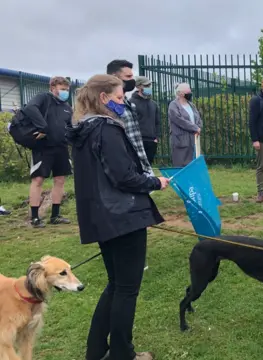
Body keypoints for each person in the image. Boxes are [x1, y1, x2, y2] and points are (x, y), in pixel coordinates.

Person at [66, 74, 170, 360]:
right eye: (121, 98)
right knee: (126, 289)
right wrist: (154, 183)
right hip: (123, 216)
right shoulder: (106, 129)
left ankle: (97, 349)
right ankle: (123, 354)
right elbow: (123, 176)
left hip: (101, 217)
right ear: (104, 98)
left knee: (116, 285)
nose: (124, 103)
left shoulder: (83, 130)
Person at [22, 76, 73, 228]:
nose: (65, 92)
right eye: (62, 89)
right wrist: (43, 127)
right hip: (43, 147)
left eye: (67, 89)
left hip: (61, 147)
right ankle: (35, 218)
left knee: (60, 180)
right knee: (38, 180)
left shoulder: (66, 106)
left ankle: (55, 215)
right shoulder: (43, 98)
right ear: (52, 88)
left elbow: (70, 125)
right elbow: (30, 108)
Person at [106, 60, 154, 176]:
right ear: (114, 77)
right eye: (128, 76)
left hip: (136, 162)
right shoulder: (107, 105)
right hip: (123, 166)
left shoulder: (128, 103)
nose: (132, 80)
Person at [168, 83, 202, 167]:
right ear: (181, 93)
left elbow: (198, 117)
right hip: (180, 140)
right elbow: (179, 120)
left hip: (193, 139)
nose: (190, 92)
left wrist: (199, 127)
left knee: (193, 164)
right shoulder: (173, 105)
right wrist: (195, 128)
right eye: (188, 90)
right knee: (181, 165)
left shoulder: (191, 105)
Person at [130, 76, 161, 165]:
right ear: (139, 86)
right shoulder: (131, 103)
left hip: (152, 141)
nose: (149, 87)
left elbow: (157, 122)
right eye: (146, 85)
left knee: (149, 166)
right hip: (138, 141)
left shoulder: (153, 104)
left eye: (150, 85)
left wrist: (156, 138)